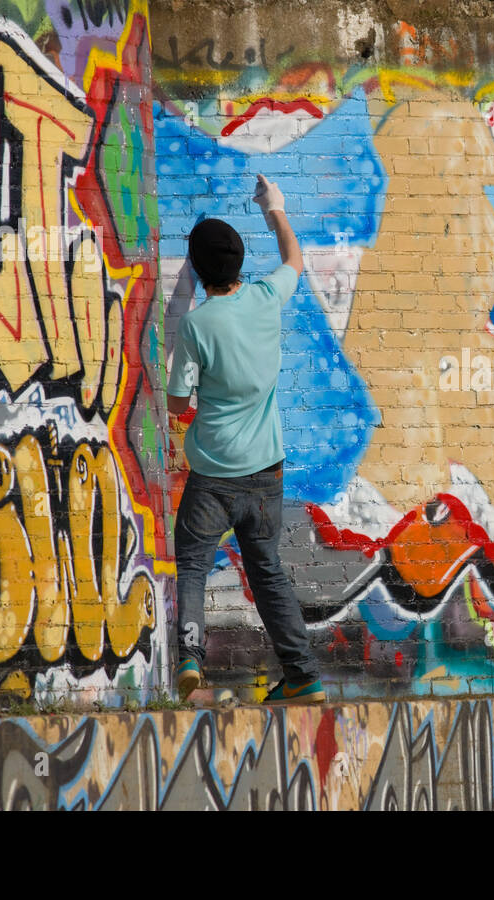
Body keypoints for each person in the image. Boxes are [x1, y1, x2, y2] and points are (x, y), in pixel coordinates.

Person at [166, 173, 324, 705]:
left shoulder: (196, 328)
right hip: (266, 476)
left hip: (212, 477)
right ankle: (301, 676)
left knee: (191, 566)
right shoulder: (264, 298)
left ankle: (190, 660)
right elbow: (294, 261)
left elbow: (176, 403)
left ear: (200, 269)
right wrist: (274, 208)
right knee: (269, 572)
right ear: (237, 265)